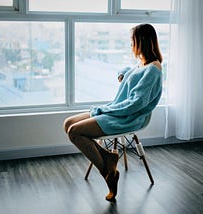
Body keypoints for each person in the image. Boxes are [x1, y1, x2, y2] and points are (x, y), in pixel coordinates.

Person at [63, 23, 163, 202]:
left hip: (129, 117)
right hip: (118, 111)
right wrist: (122, 73)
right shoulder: (143, 63)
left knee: (74, 131)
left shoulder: (153, 70)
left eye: (133, 41)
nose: (131, 45)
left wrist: (105, 110)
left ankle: (108, 174)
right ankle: (108, 158)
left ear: (141, 42)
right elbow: (131, 72)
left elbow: (135, 104)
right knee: (68, 123)